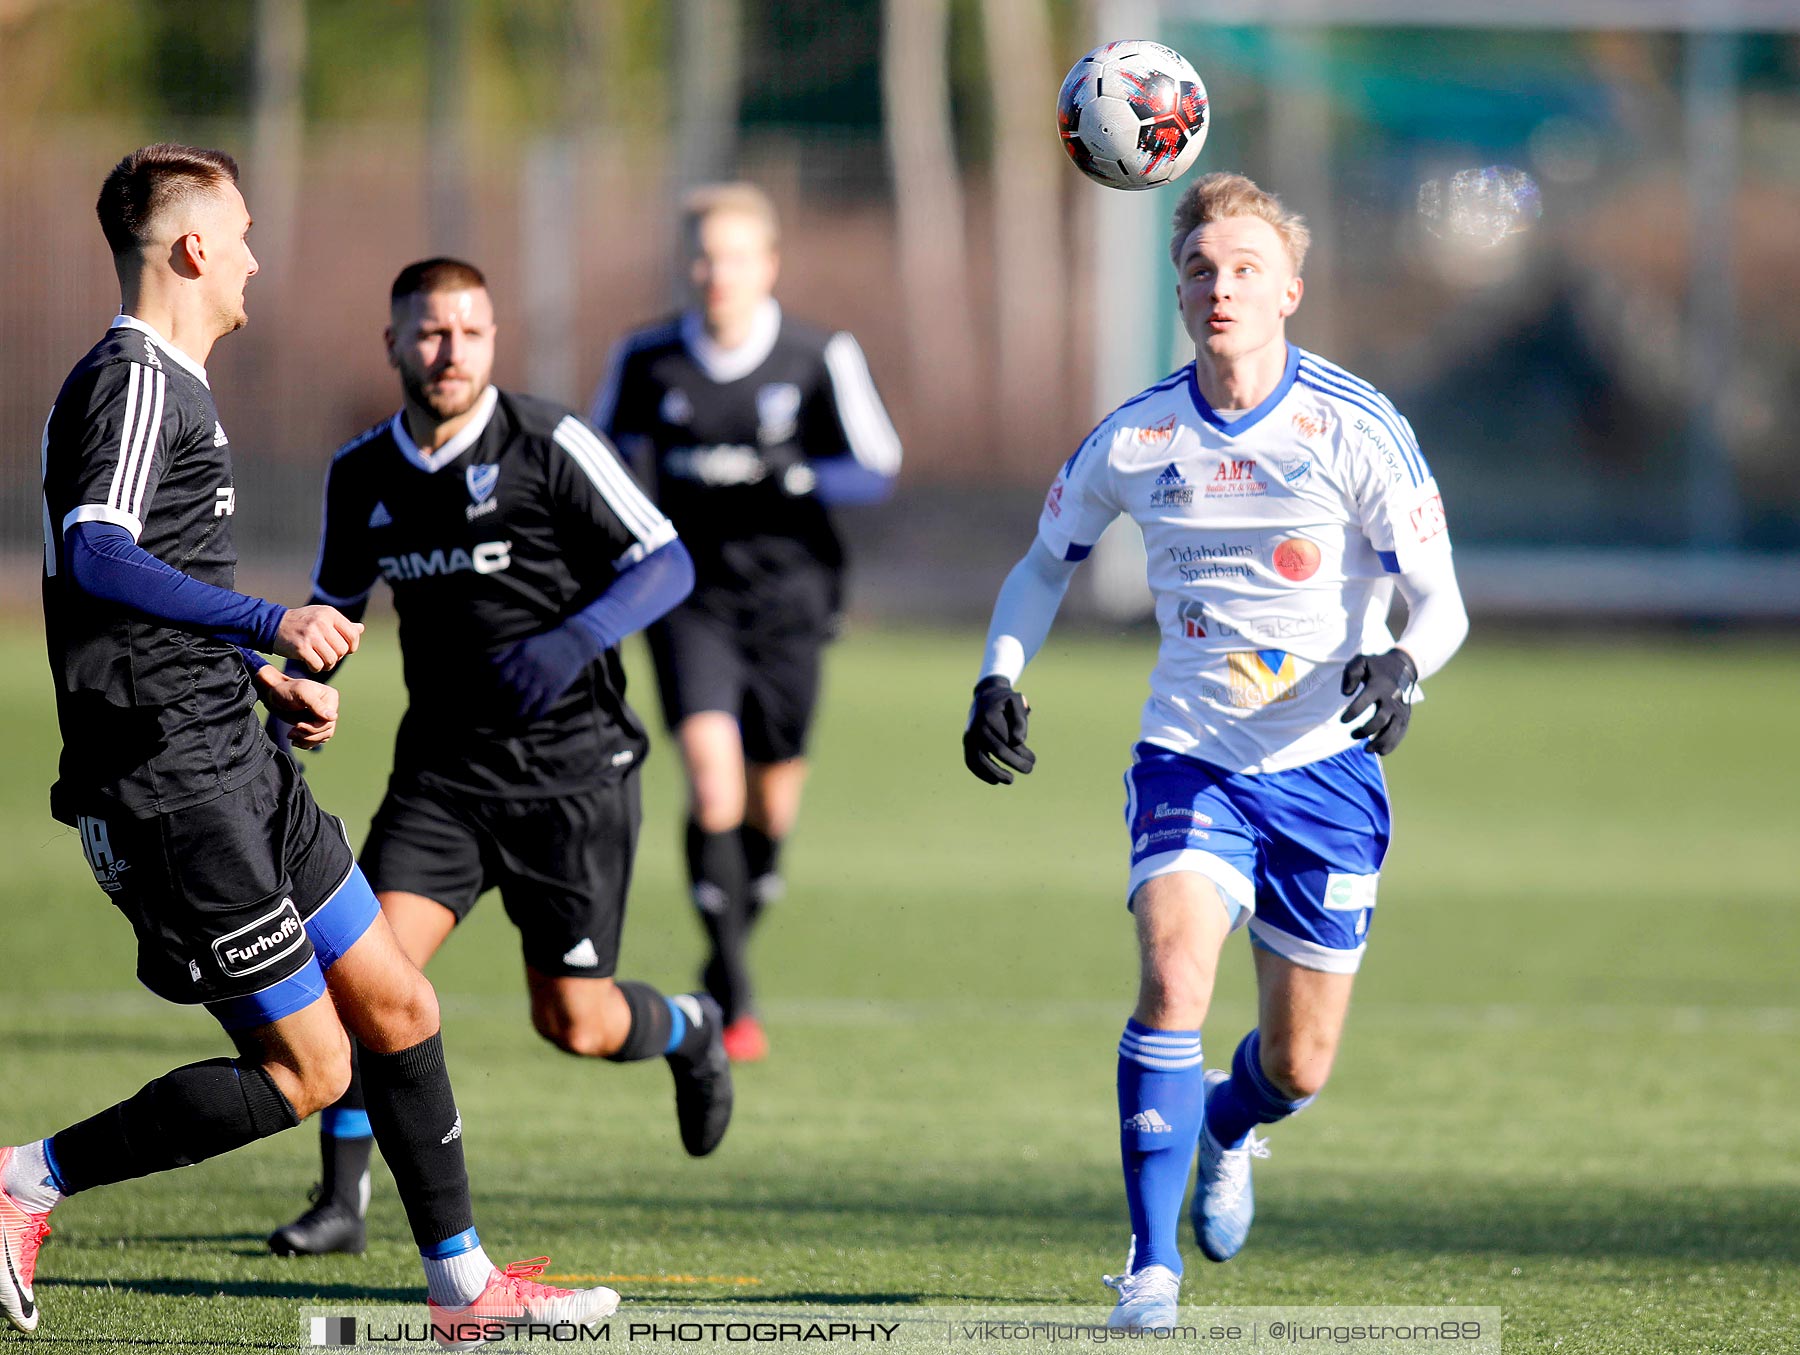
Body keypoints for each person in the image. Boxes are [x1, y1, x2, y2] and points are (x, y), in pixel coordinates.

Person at [4, 143, 620, 1344]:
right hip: (168, 784)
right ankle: (26, 1179)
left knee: (398, 999)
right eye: (237, 233)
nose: (252, 258)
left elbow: (146, 586)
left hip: (233, 750)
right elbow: (95, 553)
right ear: (190, 249)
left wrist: (261, 673)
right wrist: (268, 618)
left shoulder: (178, 384)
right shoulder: (134, 382)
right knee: (309, 1071)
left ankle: (463, 1287)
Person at [962, 172, 1469, 1330]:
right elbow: (1045, 564)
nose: (1221, 285)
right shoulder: (1137, 434)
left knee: (1298, 1063)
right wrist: (1000, 672)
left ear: (1290, 288)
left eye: (1245, 267)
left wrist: (1404, 663)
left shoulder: (1355, 425)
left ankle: (1232, 1126)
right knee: (1172, 973)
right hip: (1189, 757)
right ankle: (1148, 1267)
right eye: (1200, 268)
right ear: (1179, 292)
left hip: (1327, 772)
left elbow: (1442, 600)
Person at [264, 256, 729, 1258]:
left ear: (493, 340)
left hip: (574, 777)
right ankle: (343, 1199)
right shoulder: (363, 474)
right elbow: (334, 616)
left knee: (576, 1019)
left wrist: (572, 641)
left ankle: (690, 1027)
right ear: (392, 343)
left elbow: (668, 558)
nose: (449, 352)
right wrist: (300, 683)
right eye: (429, 333)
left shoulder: (549, 441)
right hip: (443, 779)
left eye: (469, 331)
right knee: (361, 976)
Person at [592, 183, 902, 1061]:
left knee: (769, 805)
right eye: (701, 255)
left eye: (733, 256)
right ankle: (732, 989)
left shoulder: (816, 355)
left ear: (767, 265)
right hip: (688, 600)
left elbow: (877, 466)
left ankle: (743, 903)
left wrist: (798, 477)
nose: (714, 273)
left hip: (792, 603)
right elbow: (597, 461)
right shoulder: (647, 359)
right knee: (711, 780)